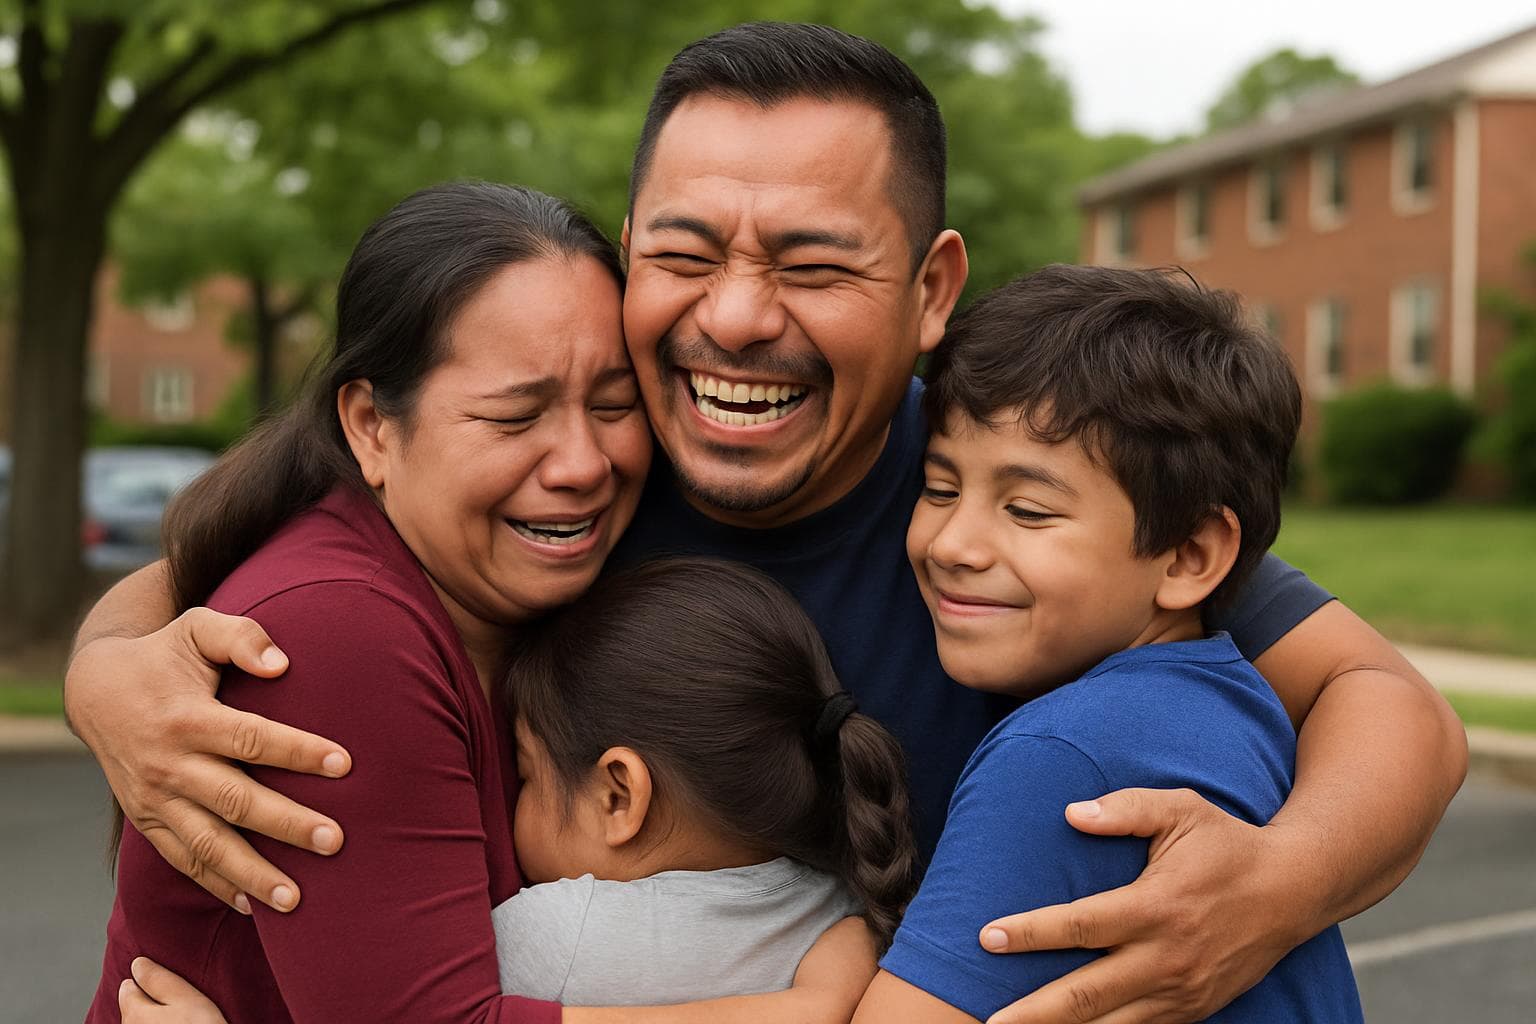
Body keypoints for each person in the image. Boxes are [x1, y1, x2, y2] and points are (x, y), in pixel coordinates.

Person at [72, 23, 1466, 1023]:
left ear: (930, 291)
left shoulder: (1008, 498)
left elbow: (1390, 708)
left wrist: (1273, 889)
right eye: (683, 253)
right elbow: (284, 538)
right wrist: (110, 668)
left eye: (810, 261)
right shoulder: (573, 481)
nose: (736, 315)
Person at [94, 182, 870, 1024]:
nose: (582, 463)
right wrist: (800, 1013)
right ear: (372, 427)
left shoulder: (569, 553)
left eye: (614, 405)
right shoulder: (338, 636)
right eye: (514, 415)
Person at [854, 265, 1364, 1022]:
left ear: (1189, 556)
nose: (953, 543)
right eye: (939, 488)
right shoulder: (1235, 702)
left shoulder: (1068, 754)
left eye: (1027, 510)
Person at [124, 558, 912, 1022]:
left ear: (617, 797)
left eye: (527, 773)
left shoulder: (554, 937)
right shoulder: (837, 907)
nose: (507, 803)